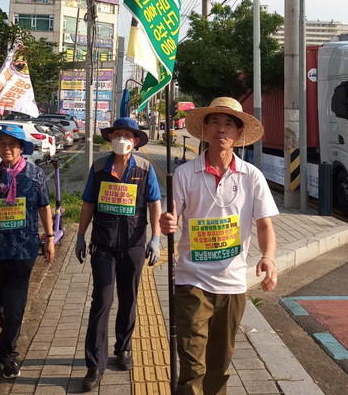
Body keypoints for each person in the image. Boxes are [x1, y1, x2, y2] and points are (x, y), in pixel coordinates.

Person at [159, 97, 279, 395]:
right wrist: (166, 222)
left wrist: (268, 258)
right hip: (191, 281)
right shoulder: (185, 174)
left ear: (238, 134)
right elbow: (170, 214)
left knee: (219, 365)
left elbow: (265, 225)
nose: (221, 130)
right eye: (215, 123)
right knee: (192, 366)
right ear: (205, 130)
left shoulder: (252, 177)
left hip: (233, 284)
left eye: (228, 125)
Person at [75, 117, 162, 391]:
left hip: (134, 244)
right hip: (103, 244)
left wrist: (156, 238)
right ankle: (94, 365)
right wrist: (79, 235)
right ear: (110, 138)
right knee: (102, 299)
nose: (121, 139)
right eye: (117, 134)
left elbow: (154, 204)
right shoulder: (99, 167)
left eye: (127, 134)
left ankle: (122, 348)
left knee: (129, 298)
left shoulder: (146, 169)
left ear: (135, 141)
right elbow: (88, 202)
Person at [0, 124, 55, 379]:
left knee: (15, 306)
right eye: (2, 143)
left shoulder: (35, 175)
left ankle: (8, 356)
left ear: (21, 148)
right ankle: (9, 326)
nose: (7, 148)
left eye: (12, 144)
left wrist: (49, 238)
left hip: (24, 251)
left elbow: (44, 208)